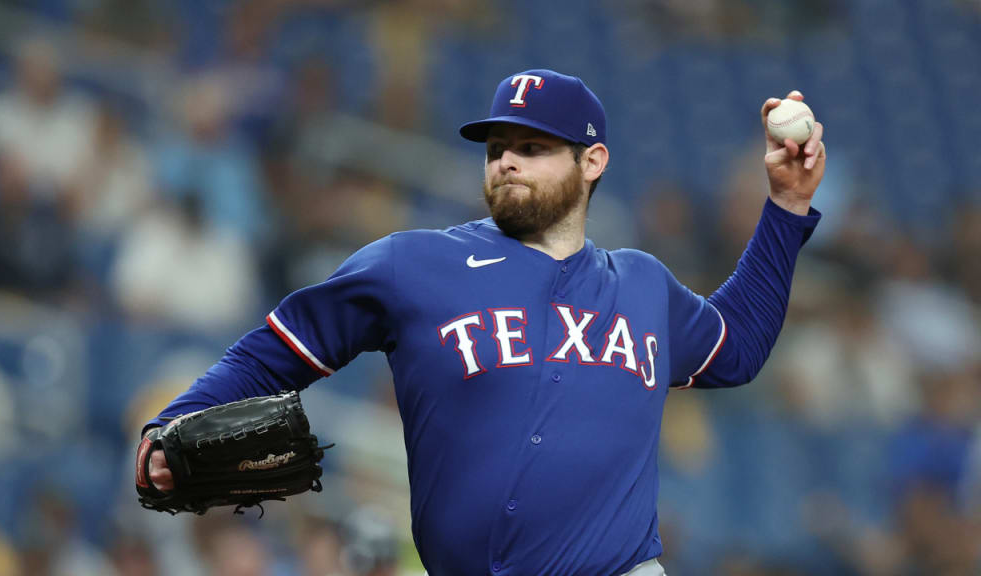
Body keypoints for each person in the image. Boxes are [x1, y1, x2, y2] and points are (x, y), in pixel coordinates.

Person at [137, 69, 826, 576]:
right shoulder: (411, 265)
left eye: (533, 145)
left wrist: (786, 208)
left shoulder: (643, 285)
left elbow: (735, 349)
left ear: (593, 162)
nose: (507, 160)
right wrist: (171, 426)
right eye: (497, 145)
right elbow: (271, 355)